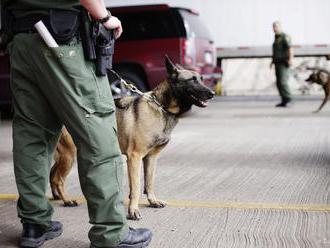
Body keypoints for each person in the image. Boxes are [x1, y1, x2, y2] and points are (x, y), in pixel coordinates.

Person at [3, 0, 152, 247]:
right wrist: (104, 17)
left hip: (21, 40)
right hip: (62, 38)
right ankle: (110, 232)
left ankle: (34, 224)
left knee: (31, 136)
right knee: (97, 134)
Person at [271, 21, 294, 107]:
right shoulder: (276, 37)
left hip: (284, 62)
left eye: (276, 26)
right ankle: (284, 100)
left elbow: (290, 48)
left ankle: (288, 99)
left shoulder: (285, 37)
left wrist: (291, 59)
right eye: (273, 27)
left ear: (280, 27)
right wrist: (272, 61)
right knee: (279, 82)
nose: (275, 28)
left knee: (283, 82)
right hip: (277, 62)